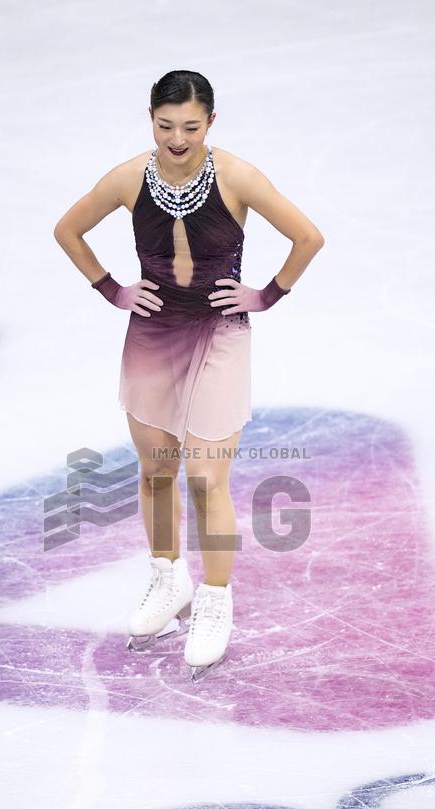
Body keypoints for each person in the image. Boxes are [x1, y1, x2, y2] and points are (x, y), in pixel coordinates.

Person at [54, 70, 324, 680]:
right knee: (155, 471)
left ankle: (214, 601)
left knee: (205, 479)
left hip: (220, 335)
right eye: (165, 125)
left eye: (191, 126)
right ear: (151, 119)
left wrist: (267, 295)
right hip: (152, 336)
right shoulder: (129, 178)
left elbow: (308, 237)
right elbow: (67, 229)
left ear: (211, 122)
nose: (177, 138)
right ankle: (167, 578)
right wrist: (111, 289)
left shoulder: (238, 177)